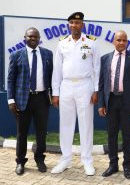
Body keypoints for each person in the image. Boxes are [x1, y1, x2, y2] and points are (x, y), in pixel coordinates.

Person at [51, 12, 100, 176]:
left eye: (77, 23)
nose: (74, 25)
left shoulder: (91, 43)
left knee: (86, 124)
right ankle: (65, 159)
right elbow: (57, 69)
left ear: (82, 25)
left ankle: (87, 161)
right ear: (68, 25)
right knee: (65, 124)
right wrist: (55, 92)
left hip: (85, 85)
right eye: (71, 22)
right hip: (66, 86)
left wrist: (96, 89)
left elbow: (96, 68)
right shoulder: (62, 43)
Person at [7, 27, 53, 175]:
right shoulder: (16, 55)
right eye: (30, 36)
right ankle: (20, 161)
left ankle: (40, 158)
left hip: (41, 99)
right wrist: (11, 100)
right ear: (24, 38)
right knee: (22, 132)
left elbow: (52, 76)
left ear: (39, 38)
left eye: (36, 37)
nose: (33, 39)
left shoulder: (47, 54)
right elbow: (11, 79)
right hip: (22, 100)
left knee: (41, 132)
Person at [98, 30, 130, 179]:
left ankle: (127, 166)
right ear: (113, 41)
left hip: (127, 102)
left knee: (127, 135)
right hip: (111, 101)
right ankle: (113, 165)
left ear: (127, 42)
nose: (121, 43)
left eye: (124, 40)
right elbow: (102, 82)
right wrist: (101, 103)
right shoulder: (105, 59)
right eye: (119, 40)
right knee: (111, 135)